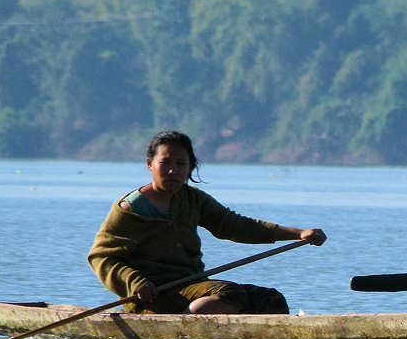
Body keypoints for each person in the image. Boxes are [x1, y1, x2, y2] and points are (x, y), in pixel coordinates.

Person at [88, 130, 326, 314]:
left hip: (191, 287)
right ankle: (180, 325)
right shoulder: (131, 208)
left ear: (191, 166)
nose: (173, 170)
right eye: (165, 163)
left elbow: (235, 225)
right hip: (153, 295)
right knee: (228, 292)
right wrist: (135, 282)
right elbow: (101, 257)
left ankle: (199, 320)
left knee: (272, 299)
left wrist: (299, 234)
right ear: (150, 164)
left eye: (181, 164)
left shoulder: (193, 199)